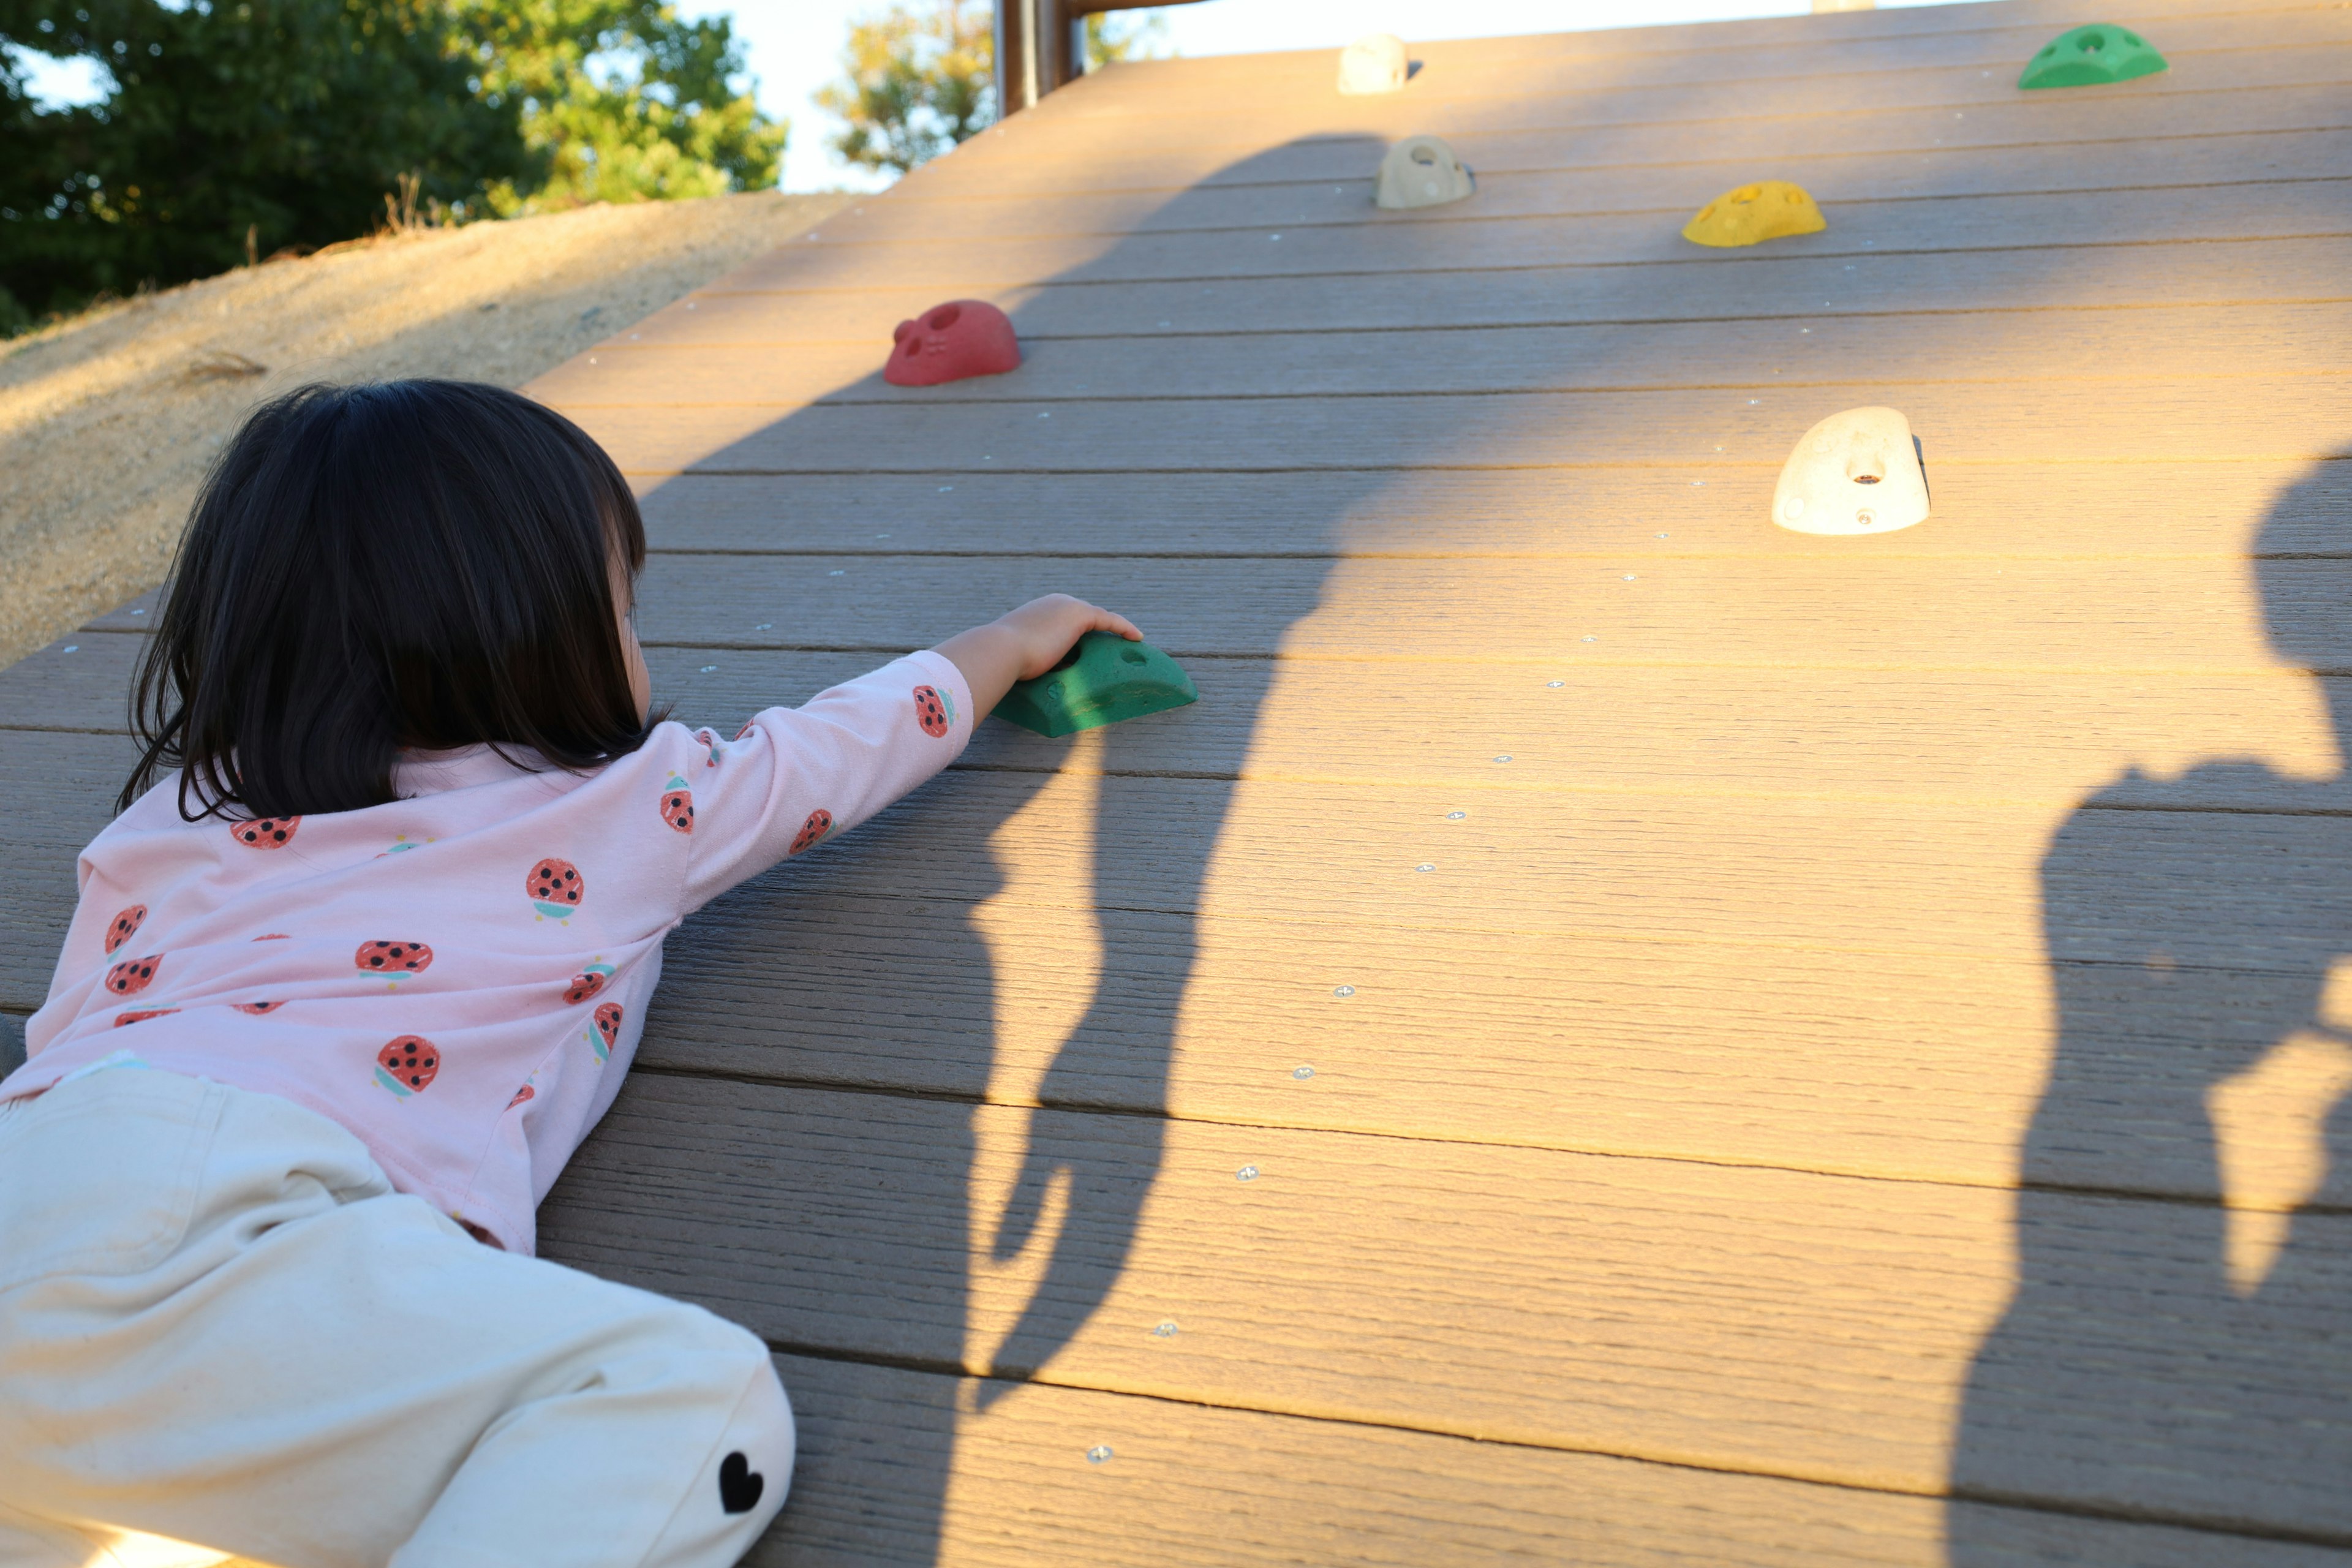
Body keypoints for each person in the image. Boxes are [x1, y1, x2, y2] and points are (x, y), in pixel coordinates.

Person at [0, 379, 1140, 1568]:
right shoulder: (626, 803)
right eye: (626, 609)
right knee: (682, 1398)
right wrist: (1009, 642)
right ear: (530, 630)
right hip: (264, 1215)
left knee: (100, 1467)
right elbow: (831, 750)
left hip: (39, 1159)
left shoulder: (175, 814)